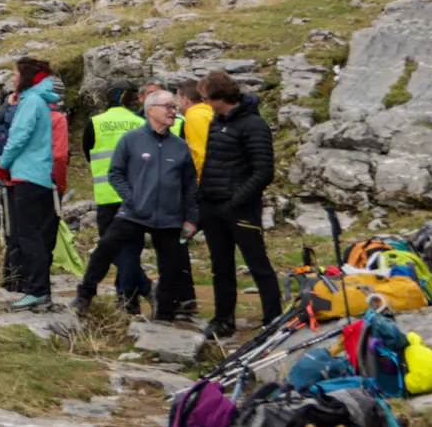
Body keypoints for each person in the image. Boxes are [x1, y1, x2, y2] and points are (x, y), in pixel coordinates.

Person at [76, 88, 198, 321]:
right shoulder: (131, 140)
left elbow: (190, 186)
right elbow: (115, 173)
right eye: (169, 107)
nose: (174, 111)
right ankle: (84, 295)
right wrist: (131, 199)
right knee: (106, 249)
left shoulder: (180, 146)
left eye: (174, 107)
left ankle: (165, 315)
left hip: (169, 216)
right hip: (134, 212)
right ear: (151, 110)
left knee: (171, 268)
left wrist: (191, 218)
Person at [195, 71, 280, 336]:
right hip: (212, 206)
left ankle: (273, 319)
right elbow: (211, 163)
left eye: (207, 98)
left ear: (221, 97)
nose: (205, 103)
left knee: (258, 264)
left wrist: (236, 201)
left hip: (240, 208)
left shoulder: (253, 125)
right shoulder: (216, 122)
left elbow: (264, 171)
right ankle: (222, 320)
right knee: (221, 267)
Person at [0, 59, 69, 307]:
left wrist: (2, 164)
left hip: (28, 175)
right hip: (40, 176)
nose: (13, 78)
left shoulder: (32, 101)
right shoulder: (42, 100)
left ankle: (36, 291)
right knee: (36, 235)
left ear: (26, 76)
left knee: (28, 235)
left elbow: (19, 137)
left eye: (15, 73)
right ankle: (40, 291)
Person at [85, 84, 152, 313]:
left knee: (110, 248)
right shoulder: (141, 122)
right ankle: (135, 294)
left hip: (106, 195)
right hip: (136, 195)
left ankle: (135, 295)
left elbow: (88, 153)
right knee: (131, 249)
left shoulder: (95, 122)